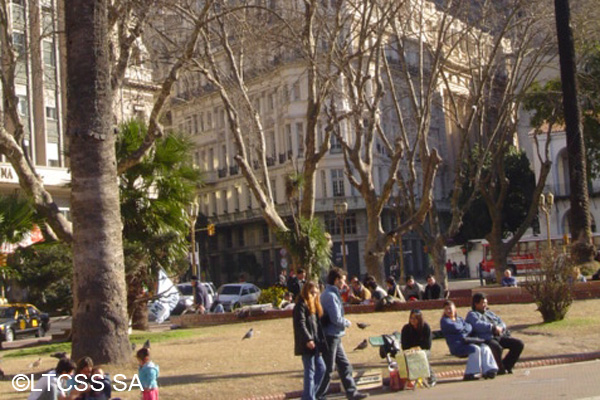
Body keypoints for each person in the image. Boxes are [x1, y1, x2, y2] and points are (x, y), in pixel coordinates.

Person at [316, 267, 369, 400]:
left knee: (344, 365)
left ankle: (352, 392)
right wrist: (347, 323)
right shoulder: (330, 295)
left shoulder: (330, 293)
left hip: (335, 335)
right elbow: (336, 318)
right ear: (336, 280)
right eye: (342, 281)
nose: (344, 284)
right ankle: (318, 395)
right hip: (331, 336)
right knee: (328, 368)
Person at [466, 293, 524, 375]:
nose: (485, 305)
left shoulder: (490, 313)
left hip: (499, 336)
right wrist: (492, 327)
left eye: (486, 303)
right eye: (482, 303)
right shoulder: (472, 315)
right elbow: (477, 325)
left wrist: (500, 328)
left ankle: (507, 365)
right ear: (476, 304)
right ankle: (500, 368)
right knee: (497, 347)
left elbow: (501, 322)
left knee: (518, 344)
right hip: (486, 338)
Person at [440, 300, 498, 381]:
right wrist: (463, 329)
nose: (448, 311)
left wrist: (463, 330)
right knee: (475, 349)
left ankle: (489, 370)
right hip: (457, 346)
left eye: (450, 308)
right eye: (446, 309)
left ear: (455, 309)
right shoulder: (444, 321)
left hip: (466, 342)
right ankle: (470, 373)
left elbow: (469, 327)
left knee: (484, 346)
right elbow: (456, 328)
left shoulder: (459, 319)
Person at [293, 281, 327, 400]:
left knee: (321, 368)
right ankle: (309, 397)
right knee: (310, 370)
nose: (314, 295)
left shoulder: (314, 305)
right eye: (312, 292)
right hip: (306, 342)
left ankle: (309, 395)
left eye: (316, 293)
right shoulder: (301, 304)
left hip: (315, 342)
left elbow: (316, 325)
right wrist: (308, 339)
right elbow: (300, 323)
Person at [401, 309, 437, 386]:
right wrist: (411, 350)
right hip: (410, 352)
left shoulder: (425, 327)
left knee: (421, 356)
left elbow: (427, 345)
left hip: (423, 350)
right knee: (404, 358)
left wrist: (418, 349)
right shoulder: (406, 329)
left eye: (415, 318)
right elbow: (404, 345)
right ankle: (408, 380)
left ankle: (431, 377)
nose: (413, 320)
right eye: (411, 318)